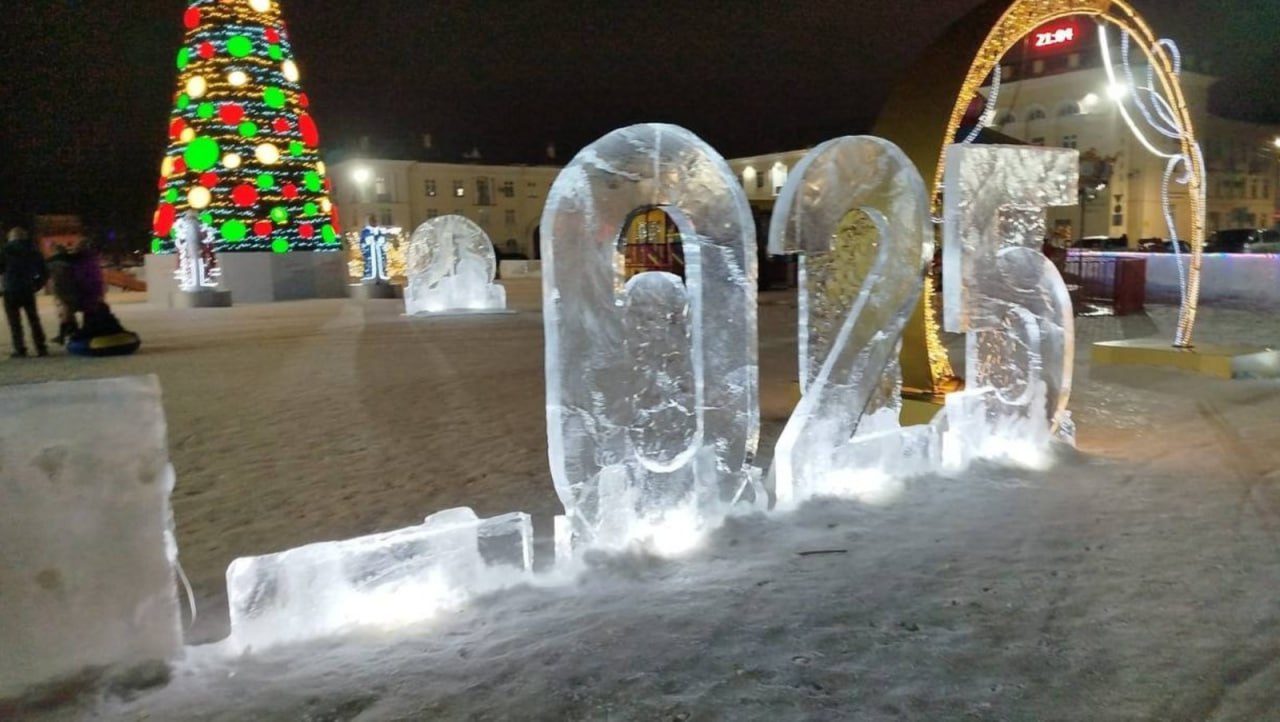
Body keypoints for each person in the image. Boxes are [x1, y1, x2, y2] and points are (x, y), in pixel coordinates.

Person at [0, 227, 49, 357]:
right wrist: (37, 285)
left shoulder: (5, 250)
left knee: (15, 322)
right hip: (27, 289)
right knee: (34, 319)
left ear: (11, 237)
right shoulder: (33, 250)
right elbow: (44, 271)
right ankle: (41, 347)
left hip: (10, 289)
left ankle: (20, 348)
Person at [46, 243, 80, 344]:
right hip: (72, 289)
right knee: (68, 312)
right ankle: (73, 332)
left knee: (65, 312)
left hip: (61, 289)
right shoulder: (73, 260)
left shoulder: (52, 263)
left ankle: (63, 335)